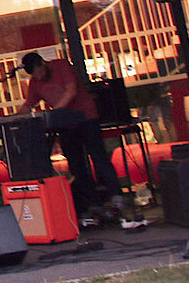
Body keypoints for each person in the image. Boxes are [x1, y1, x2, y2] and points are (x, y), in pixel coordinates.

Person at [15, 52, 124, 215]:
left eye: (39, 72)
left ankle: (116, 197)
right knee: (76, 164)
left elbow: (71, 90)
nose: (38, 77)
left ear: (42, 63)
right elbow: (29, 104)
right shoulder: (35, 83)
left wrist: (55, 112)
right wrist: (14, 118)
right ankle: (93, 202)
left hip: (86, 117)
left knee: (98, 157)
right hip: (66, 125)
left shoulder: (61, 66)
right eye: (34, 75)